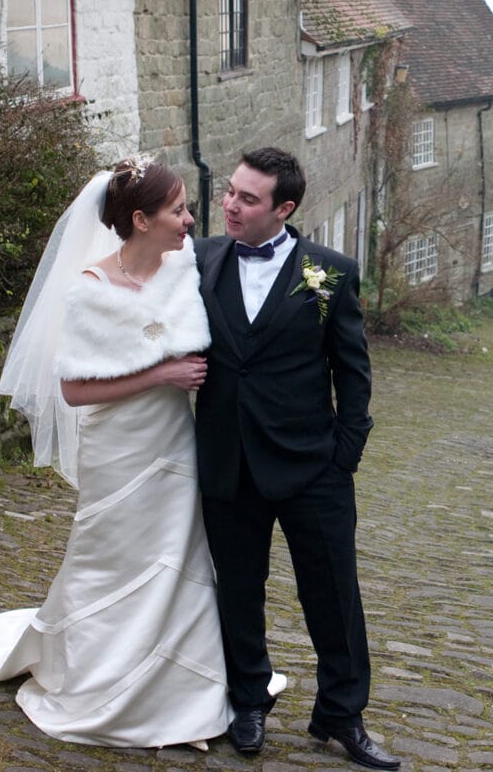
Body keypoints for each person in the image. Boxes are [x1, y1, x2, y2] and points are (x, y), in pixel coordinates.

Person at [0, 159, 236, 749]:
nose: (191, 219)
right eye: (178, 210)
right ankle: (99, 678)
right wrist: (161, 374)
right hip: (118, 447)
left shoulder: (186, 265)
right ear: (141, 220)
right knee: (110, 556)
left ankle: (179, 686)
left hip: (174, 442)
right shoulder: (90, 288)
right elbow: (74, 390)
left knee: (176, 556)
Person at [194, 147, 400, 770]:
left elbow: (353, 371)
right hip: (229, 461)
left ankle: (342, 712)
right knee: (238, 591)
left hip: (314, 466)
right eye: (230, 192)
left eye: (247, 198)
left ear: (283, 209)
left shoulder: (330, 273)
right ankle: (248, 701)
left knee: (334, 594)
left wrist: (345, 455)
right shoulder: (199, 258)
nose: (230, 205)